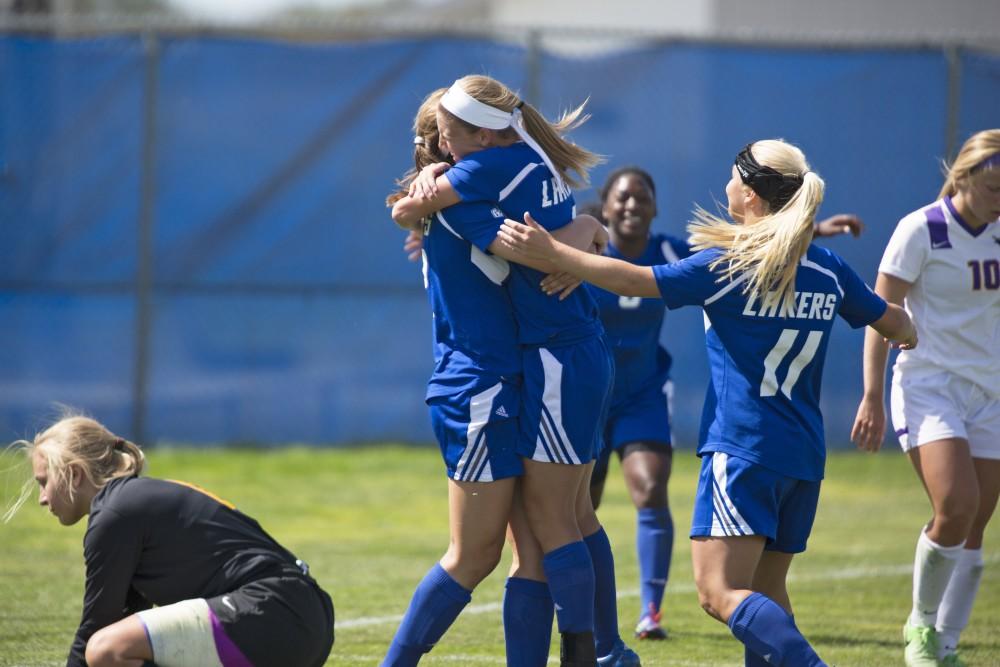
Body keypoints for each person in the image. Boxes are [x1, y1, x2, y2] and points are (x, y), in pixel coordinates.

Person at [498, 138, 917, 667]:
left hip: (743, 450)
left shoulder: (729, 265)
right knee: (767, 598)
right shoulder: (828, 268)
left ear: (750, 195)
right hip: (804, 458)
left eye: (731, 179)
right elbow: (894, 321)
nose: (724, 187)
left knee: (718, 593)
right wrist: (908, 331)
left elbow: (637, 279)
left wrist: (556, 253)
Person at [391, 75, 638, 667]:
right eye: (443, 140)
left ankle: (605, 652)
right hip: (482, 384)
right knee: (488, 551)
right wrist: (586, 231)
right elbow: (524, 248)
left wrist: (584, 232)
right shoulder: (470, 193)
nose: (450, 148)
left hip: (524, 371)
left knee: (547, 534)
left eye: (454, 137)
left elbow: (421, 215)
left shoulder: (478, 181)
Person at [585, 167, 867, 641]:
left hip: (644, 396)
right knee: (579, 509)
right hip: (587, 396)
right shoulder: (585, 250)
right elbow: (887, 317)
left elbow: (756, 252)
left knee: (652, 489)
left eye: (643, 197)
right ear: (605, 207)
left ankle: (649, 611)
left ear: (656, 208)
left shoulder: (677, 252)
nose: (632, 206)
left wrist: (810, 231)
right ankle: (582, 613)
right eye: (623, 198)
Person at [5, 413, 335, 667]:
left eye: (44, 482)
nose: (42, 498)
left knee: (106, 649)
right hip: (302, 617)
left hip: (275, 612)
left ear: (74, 474)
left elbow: (97, 627)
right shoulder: (128, 504)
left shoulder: (114, 514)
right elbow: (126, 615)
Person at [851, 128, 1000, 667]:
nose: (999, 198)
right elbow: (878, 313)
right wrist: (870, 393)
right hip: (929, 383)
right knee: (955, 505)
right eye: (993, 187)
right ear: (963, 178)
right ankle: (920, 625)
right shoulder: (922, 230)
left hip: (990, 390)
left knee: (976, 522)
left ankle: (949, 642)